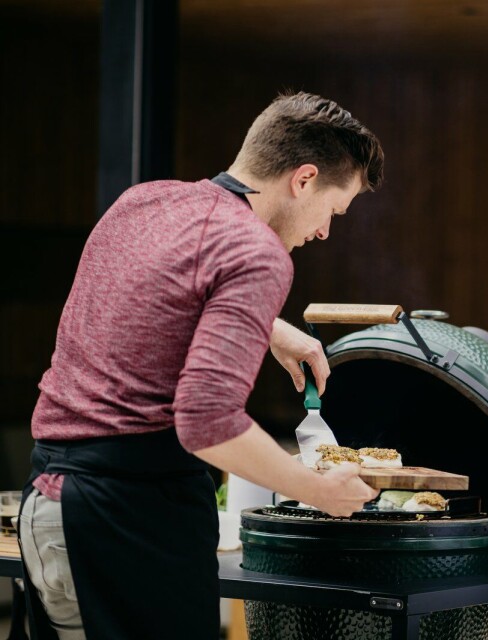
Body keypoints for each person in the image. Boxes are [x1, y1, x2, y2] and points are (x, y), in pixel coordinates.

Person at [16, 92, 384, 640]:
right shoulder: (257, 251)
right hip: (128, 523)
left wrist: (268, 327)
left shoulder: (144, 202)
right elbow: (207, 423)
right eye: (334, 210)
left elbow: (145, 304)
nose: (326, 232)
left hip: (49, 505)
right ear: (304, 179)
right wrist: (317, 490)